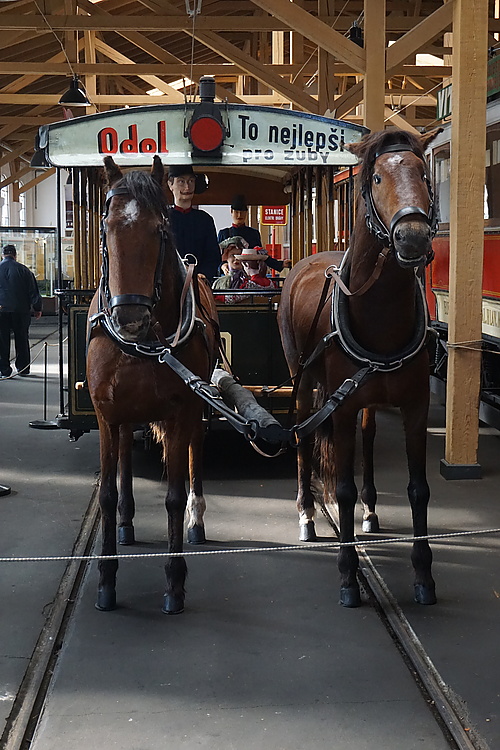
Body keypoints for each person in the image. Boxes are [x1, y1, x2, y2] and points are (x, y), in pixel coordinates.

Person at [167, 165, 221, 280]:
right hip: (169, 281)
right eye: (181, 181)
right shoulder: (163, 219)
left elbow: (213, 256)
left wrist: (203, 275)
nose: (187, 187)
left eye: (191, 181)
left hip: (198, 281)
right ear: (170, 185)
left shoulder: (205, 220)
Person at [217, 194, 292, 273]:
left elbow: (261, 255)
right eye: (236, 212)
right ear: (231, 212)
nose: (239, 215)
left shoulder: (253, 233)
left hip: (250, 275)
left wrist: (280, 264)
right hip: (229, 274)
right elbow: (215, 258)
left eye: (242, 212)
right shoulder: (224, 233)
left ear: (246, 213)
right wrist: (222, 266)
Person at [0, 245, 42, 378]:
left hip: (1, 310)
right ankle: (23, 368)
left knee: (2, 340)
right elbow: (33, 291)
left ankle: (4, 369)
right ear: (15, 255)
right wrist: (37, 308)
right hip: (21, 310)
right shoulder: (23, 270)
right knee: (22, 338)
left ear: (3, 255)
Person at [212, 237, 249, 303]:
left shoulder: (249, 281)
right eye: (232, 255)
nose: (236, 258)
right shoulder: (219, 282)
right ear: (227, 257)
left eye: (239, 255)